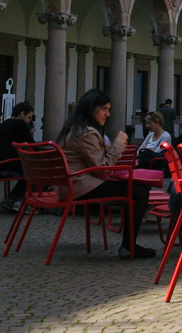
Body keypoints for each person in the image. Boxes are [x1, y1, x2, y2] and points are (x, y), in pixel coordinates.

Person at [57, 89, 154, 259]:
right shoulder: (85, 133)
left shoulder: (74, 129)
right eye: (104, 109)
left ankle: (128, 244)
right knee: (140, 191)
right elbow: (102, 169)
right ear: (91, 109)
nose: (108, 114)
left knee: (134, 189)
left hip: (72, 184)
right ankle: (129, 246)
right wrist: (118, 145)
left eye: (109, 109)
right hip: (79, 186)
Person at [0, 102, 35, 212]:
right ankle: (20, 200)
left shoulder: (3, 125)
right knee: (36, 170)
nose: (29, 121)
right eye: (29, 117)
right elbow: (33, 145)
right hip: (8, 164)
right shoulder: (19, 124)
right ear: (22, 114)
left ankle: (12, 198)